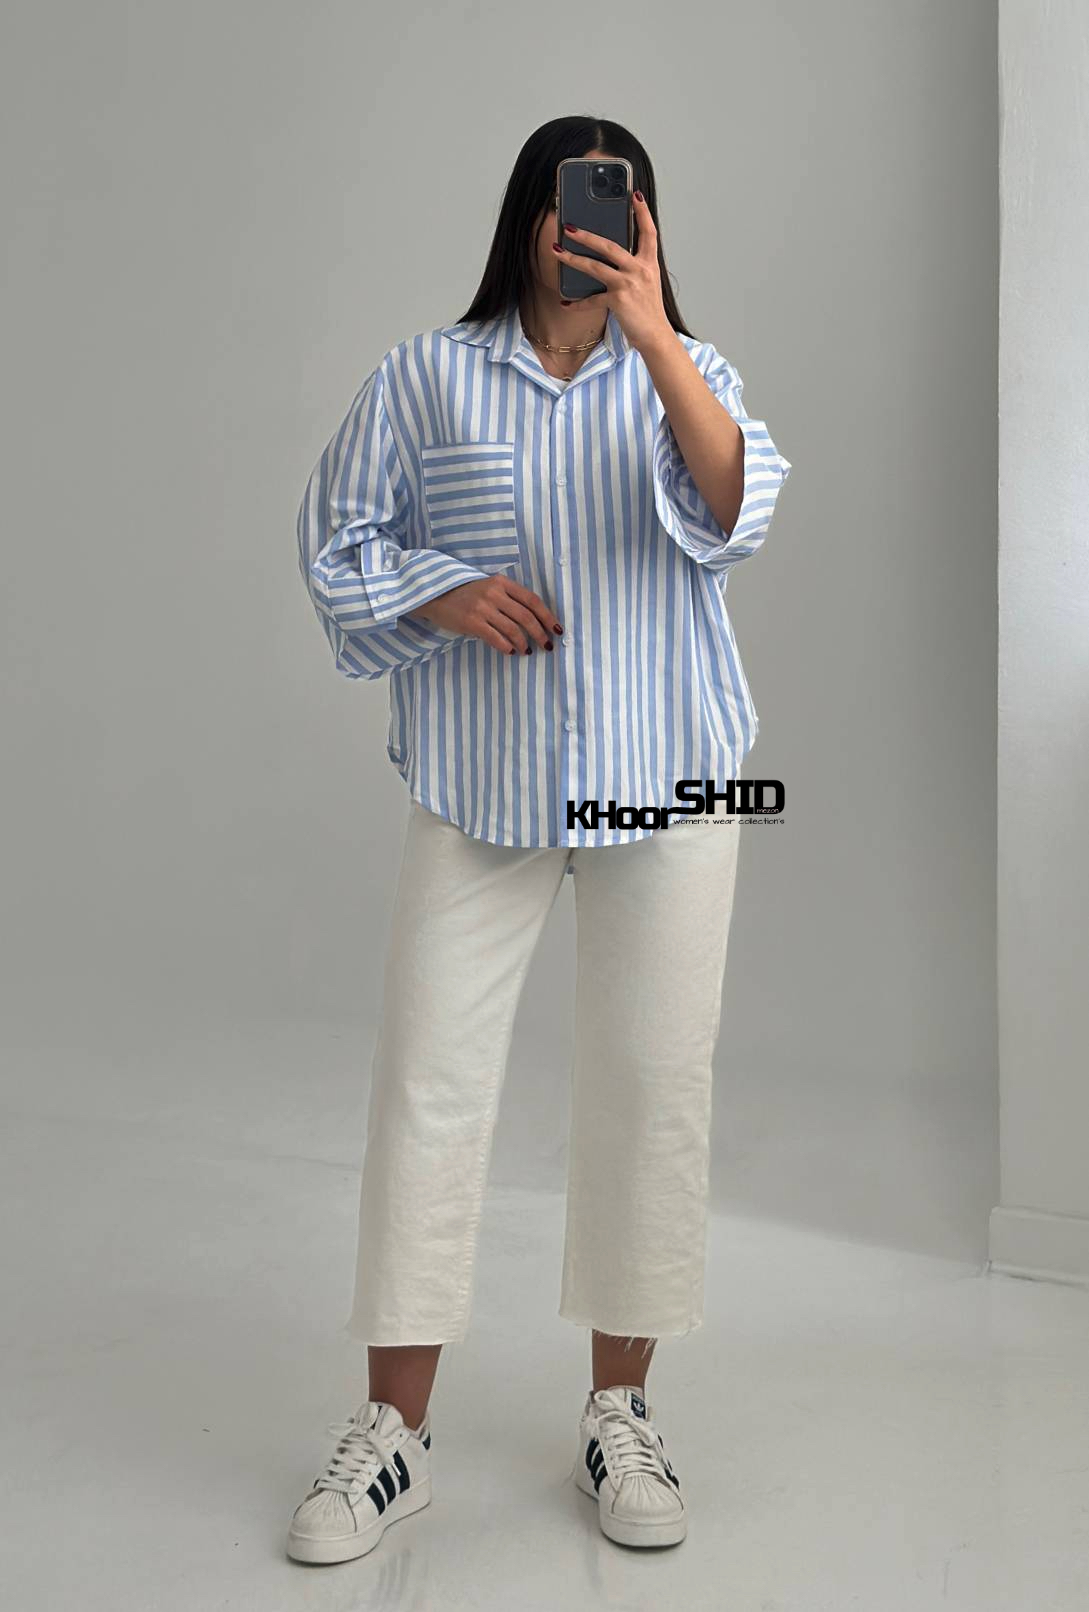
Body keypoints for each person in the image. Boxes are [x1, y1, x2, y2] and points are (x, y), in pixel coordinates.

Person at [288, 115, 791, 1565]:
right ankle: (392, 1435)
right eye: (576, 209)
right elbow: (335, 546)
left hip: (665, 779)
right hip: (481, 785)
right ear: (529, 219)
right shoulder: (424, 376)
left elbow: (734, 511)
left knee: (650, 1088)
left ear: (646, 229)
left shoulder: (688, 376)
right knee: (428, 1088)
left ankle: (619, 1411)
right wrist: (439, 592)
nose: (594, 232)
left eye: (622, 213)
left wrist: (652, 330)